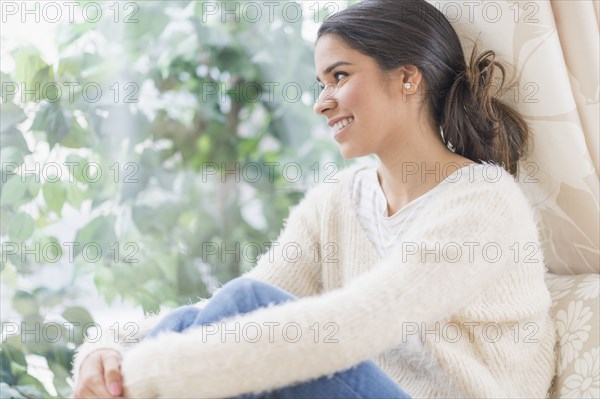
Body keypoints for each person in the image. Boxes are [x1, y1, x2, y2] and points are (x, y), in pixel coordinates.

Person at [71, 0, 557, 398]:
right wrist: (108, 350)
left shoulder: (484, 202)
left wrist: (148, 374)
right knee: (198, 316)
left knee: (243, 306)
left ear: (408, 78)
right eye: (320, 84)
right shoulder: (340, 202)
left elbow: (362, 321)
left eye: (340, 77)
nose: (322, 101)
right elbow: (237, 302)